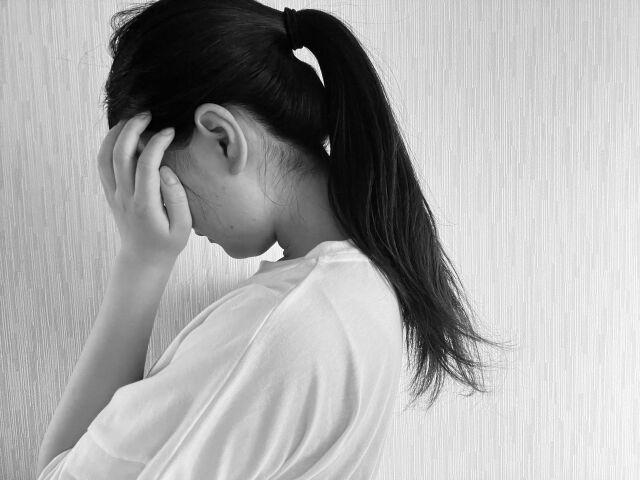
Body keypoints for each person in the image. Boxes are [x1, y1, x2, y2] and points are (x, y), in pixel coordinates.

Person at [37, 1, 515, 478]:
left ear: (221, 138)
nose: (154, 204)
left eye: (154, 173)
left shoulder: (278, 323)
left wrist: (140, 263)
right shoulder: (357, 286)